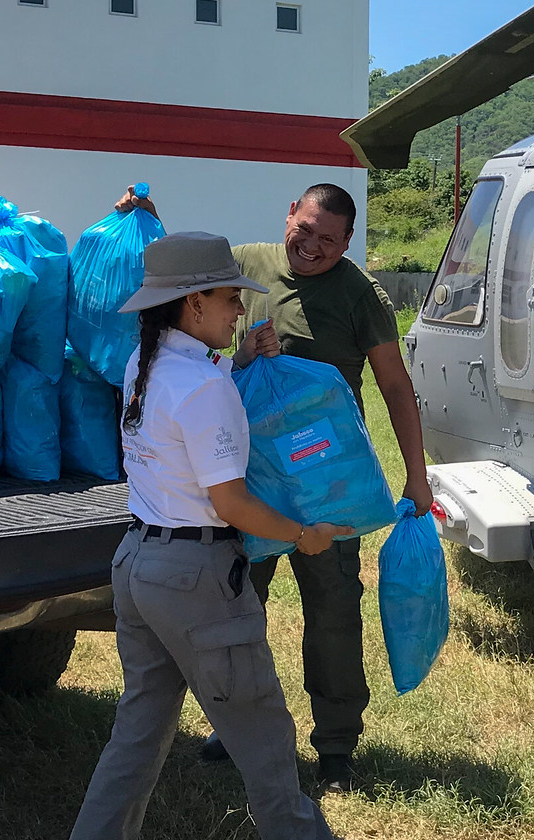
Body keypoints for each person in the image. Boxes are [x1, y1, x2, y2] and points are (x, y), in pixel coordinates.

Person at [46, 232, 394, 840]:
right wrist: (304, 534)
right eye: (230, 297)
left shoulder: (145, 362)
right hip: (198, 579)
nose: (240, 308)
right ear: (192, 301)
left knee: (136, 741)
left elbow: (187, 421)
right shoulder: (202, 385)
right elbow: (232, 502)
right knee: (264, 739)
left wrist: (238, 359)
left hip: (140, 562)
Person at [111, 183, 430, 794]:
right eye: (305, 230)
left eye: (330, 241)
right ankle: (236, 729)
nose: (312, 247)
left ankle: (336, 745)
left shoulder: (360, 295)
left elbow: (395, 385)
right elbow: (189, 306)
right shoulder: (245, 265)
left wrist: (415, 475)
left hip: (324, 485)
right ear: (290, 212)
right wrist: (148, 220)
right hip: (243, 476)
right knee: (235, 610)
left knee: (334, 612)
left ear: (348, 243)